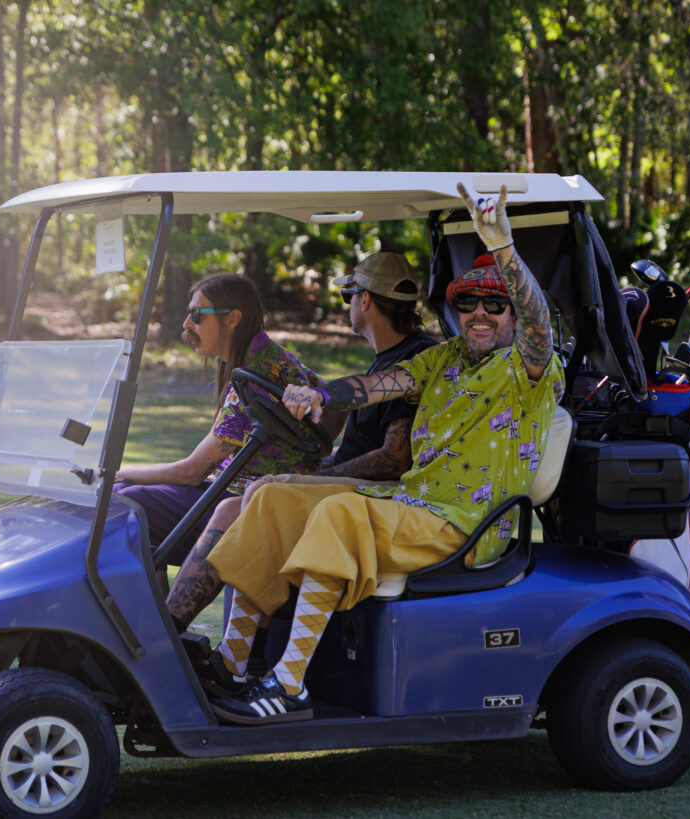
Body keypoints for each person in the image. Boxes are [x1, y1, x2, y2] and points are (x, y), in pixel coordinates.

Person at [203, 184, 565, 725]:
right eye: (468, 303)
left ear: (512, 313)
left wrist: (504, 247)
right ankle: (232, 665)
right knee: (274, 496)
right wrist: (322, 395)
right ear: (455, 309)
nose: (481, 314)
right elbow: (379, 384)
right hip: (412, 503)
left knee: (339, 512)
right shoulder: (442, 359)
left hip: (465, 523)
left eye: (497, 304)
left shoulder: (528, 371)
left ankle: (290, 683)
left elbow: (540, 327)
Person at [164, 253, 437, 639]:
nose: (349, 307)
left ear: (366, 301)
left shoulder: (409, 363)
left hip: (375, 499)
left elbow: (395, 457)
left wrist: (318, 474)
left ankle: (170, 634)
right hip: (355, 492)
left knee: (236, 508)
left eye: (349, 297)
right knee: (251, 499)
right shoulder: (387, 362)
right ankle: (234, 657)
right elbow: (344, 411)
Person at [112, 272, 321, 570]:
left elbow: (193, 471)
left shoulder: (252, 378)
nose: (186, 324)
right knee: (126, 498)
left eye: (197, 315)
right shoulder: (273, 356)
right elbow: (325, 395)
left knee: (126, 504)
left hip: (243, 498)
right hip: (243, 489)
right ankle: (157, 613)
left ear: (232, 318)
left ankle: (157, 615)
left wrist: (120, 472)